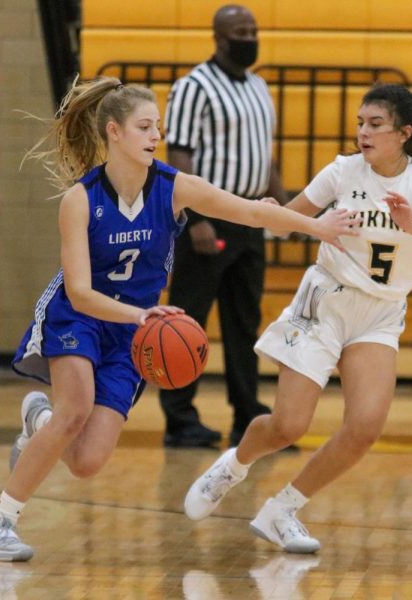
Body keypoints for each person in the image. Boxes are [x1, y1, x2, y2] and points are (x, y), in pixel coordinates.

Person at [0, 77, 359, 562]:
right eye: (145, 126)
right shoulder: (80, 201)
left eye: (159, 126)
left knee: (88, 462)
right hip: (81, 315)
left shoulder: (174, 188)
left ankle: (37, 419)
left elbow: (252, 215)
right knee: (76, 409)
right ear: (114, 132)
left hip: (134, 329)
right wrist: (142, 315)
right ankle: (0, 524)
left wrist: (316, 226)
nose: (156, 135)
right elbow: (81, 292)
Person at [181, 83, 412, 553]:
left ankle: (282, 510)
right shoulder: (343, 170)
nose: (362, 132)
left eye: (375, 124)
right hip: (325, 300)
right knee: (289, 426)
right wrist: (273, 214)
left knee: (365, 427)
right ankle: (233, 466)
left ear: (403, 134)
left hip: (380, 313)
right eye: (359, 122)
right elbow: (284, 221)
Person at [158, 4, 288, 449]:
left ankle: (248, 416)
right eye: (241, 31)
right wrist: (195, 217)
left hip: (252, 218)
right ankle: (179, 418)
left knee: (244, 322)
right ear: (219, 38)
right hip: (210, 220)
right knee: (187, 319)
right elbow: (179, 155)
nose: (249, 37)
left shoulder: (259, 86)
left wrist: (283, 208)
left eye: (253, 29)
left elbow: (264, 154)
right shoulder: (193, 87)